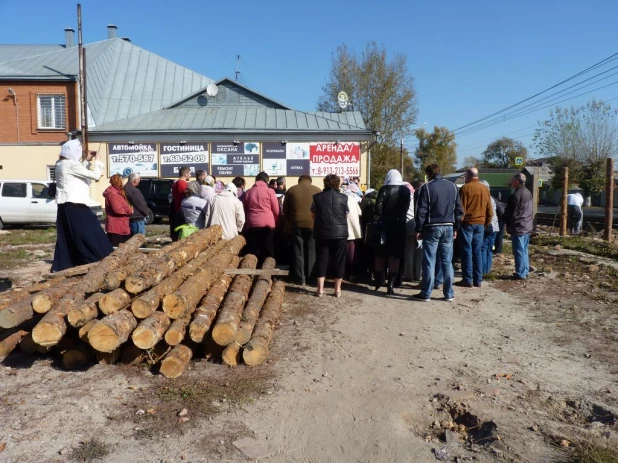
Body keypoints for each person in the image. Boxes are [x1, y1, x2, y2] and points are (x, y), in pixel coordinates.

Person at [51, 139, 112, 272]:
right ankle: (101, 259)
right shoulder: (71, 165)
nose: (80, 153)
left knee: (69, 236)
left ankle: (67, 264)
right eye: (79, 150)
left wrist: (86, 161)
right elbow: (95, 176)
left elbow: (79, 174)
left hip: (65, 206)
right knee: (92, 232)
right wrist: (99, 162)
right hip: (75, 205)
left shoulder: (61, 163)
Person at [412, 164, 463, 302]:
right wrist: (456, 228)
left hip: (431, 227)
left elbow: (421, 211)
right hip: (448, 226)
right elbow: (458, 210)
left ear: (428, 174)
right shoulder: (452, 187)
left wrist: (418, 229)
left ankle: (426, 293)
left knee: (429, 260)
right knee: (447, 261)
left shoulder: (426, 188)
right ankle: (449, 294)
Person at [374, 169, 411, 296]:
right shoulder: (405, 190)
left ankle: (379, 281)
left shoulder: (384, 189)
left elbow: (378, 209)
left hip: (384, 226)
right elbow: (406, 208)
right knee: (394, 256)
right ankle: (391, 283)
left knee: (380, 254)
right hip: (400, 226)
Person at [311, 174, 348, 297]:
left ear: (325, 183)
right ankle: (337, 289)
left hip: (322, 232)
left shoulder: (317, 197)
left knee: (321, 260)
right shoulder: (344, 198)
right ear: (337, 184)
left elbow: (313, 216)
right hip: (340, 233)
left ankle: (320, 289)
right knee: (339, 260)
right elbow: (345, 215)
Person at [283, 175, 321, 286]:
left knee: (298, 251)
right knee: (312, 251)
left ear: (299, 180)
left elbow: (285, 210)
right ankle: (311, 278)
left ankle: (300, 279)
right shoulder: (317, 190)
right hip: (313, 225)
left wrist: (287, 224)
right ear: (310, 181)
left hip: (296, 224)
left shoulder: (291, 190)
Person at [458, 168, 493, 288]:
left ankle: (467, 279)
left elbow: (461, 209)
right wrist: (486, 222)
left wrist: (458, 224)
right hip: (480, 224)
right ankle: (478, 280)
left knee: (466, 251)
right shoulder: (485, 189)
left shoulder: (465, 188)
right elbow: (490, 210)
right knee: (477, 252)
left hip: (467, 224)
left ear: (468, 176)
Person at [243, 172, 280, 265]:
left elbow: (245, 208)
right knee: (268, 250)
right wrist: (275, 221)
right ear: (266, 181)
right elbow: (276, 210)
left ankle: (251, 272)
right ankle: (268, 273)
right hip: (268, 224)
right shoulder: (270, 191)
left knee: (253, 250)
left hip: (252, 223)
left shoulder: (248, 192)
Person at [503, 173, 533, 280]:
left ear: (516, 182)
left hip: (519, 226)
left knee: (519, 250)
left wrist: (504, 220)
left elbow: (511, 213)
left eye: (512, 181)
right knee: (524, 250)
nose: (510, 183)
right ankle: (525, 271)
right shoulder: (528, 193)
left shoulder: (515, 195)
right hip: (527, 225)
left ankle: (520, 273)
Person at [103, 174, 133, 247]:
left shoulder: (118, 192)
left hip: (120, 225)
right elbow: (118, 209)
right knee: (115, 249)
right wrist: (129, 210)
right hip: (116, 226)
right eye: (122, 180)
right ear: (118, 181)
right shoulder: (113, 194)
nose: (123, 182)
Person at [479, 180, 500, 275]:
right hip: (495, 226)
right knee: (489, 249)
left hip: (487, 226)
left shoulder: (484, 199)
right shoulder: (491, 198)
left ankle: (482, 270)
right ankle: (487, 270)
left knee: (483, 248)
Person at [343, 185, 363, 280]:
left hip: (341, 230)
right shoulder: (353, 200)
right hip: (352, 230)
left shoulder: (341, 198)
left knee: (341, 253)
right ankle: (350, 273)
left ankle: (341, 273)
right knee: (351, 252)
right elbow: (360, 213)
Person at [399, 182, 416, 284]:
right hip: (412, 226)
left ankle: (402, 274)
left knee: (401, 252)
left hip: (403, 225)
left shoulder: (401, 197)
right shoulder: (415, 197)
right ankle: (409, 274)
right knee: (410, 252)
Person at [170, 166, 191, 241]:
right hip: (182, 210)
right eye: (190, 174)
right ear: (186, 174)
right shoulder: (183, 184)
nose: (190, 176)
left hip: (177, 208)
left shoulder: (175, 184)